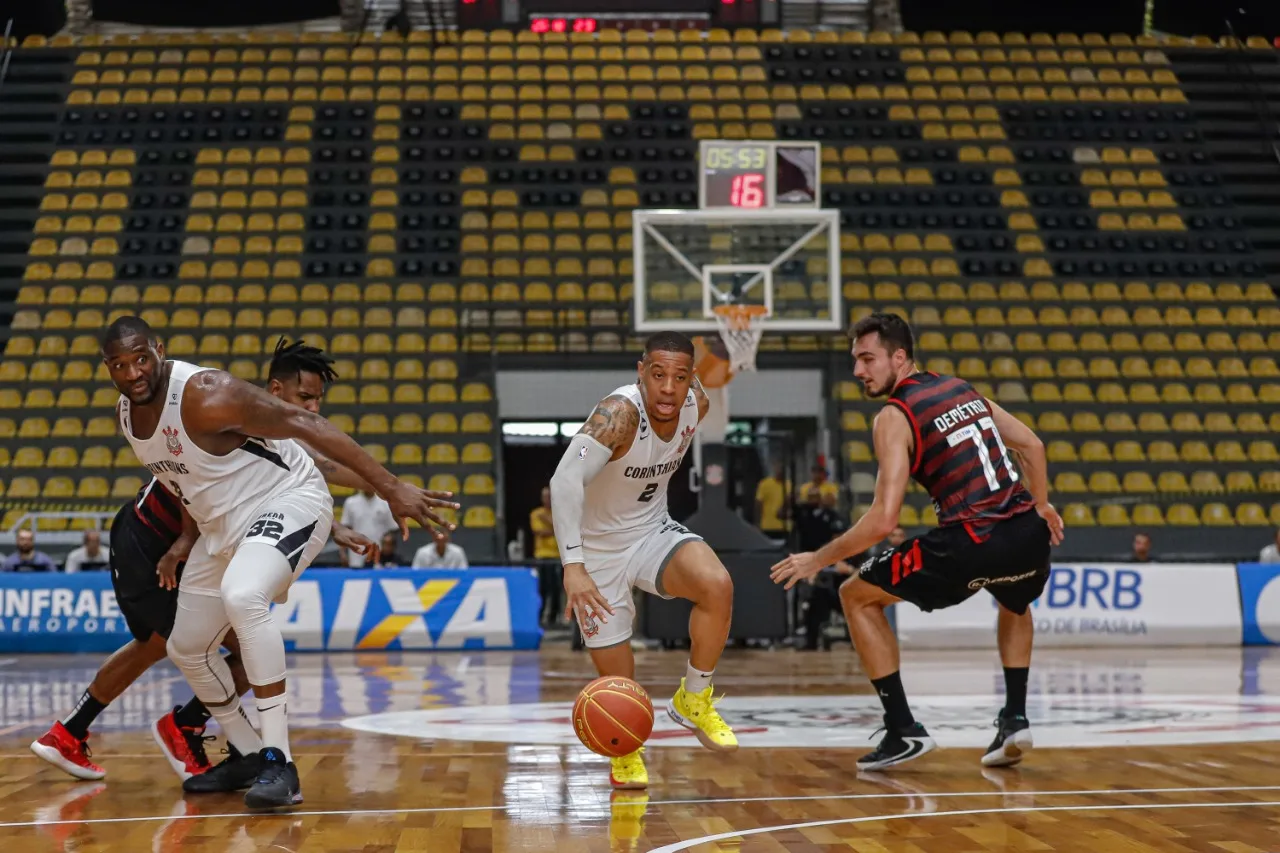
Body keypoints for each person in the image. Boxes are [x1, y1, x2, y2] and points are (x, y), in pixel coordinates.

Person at [100, 319, 454, 809]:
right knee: (186, 646)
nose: (134, 372)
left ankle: (278, 762)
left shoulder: (205, 393)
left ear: (159, 350)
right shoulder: (127, 414)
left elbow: (307, 426)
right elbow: (191, 482)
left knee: (244, 597)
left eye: (142, 358)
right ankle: (246, 752)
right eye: (120, 365)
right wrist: (186, 539)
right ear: (108, 368)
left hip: (287, 501)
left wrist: (390, 487)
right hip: (222, 529)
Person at [31, 338, 388, 785]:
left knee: (227, 643)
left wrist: (366, 506)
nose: (314, 408)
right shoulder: (223, 407)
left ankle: (226, 741)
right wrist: (183, 542)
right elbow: (192, 490)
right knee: (171, 642)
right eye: (306, 398)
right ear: (275, 393)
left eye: (317, 399)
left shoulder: (277, 434)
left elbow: (295, 480)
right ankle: (87, 730)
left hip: (195, 534)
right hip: (156, 537)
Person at [771, 313, 1064, 772]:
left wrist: (818, 558)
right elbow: (1032, 446)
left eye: (868, 359)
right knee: (1015, 602)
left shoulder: (894, 416)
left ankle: (902, 727)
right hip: (1029, 535)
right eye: (855, 361)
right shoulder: (963, 389)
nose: (858, 371)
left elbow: (884, 520)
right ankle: (1015, 717)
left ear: (899, 357)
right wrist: (1042, 505)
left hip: (970, 540)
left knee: (855, 595)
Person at [550, 331, 737, 790]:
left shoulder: (698, 404)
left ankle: (694, 700)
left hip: (650, 530)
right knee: (619, 685)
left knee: (717, 584)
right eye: (657, 375)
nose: (668, 388)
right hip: (594, 553)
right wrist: (573, 565)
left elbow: (712, 374)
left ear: (690, 378)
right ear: (640, 372)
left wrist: (724, 349)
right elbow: (563, 482)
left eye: (679, 376)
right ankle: (627, 749)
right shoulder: (618, 416)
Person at [340, 489, 399, 567]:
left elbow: (393, 529)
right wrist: (342, 553)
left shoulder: (384, 503)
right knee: (358, 578)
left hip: (379, 555)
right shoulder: (350, 502)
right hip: (357, 553)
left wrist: (387, 550)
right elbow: (345, 530)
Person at [529, 486, 561, 626]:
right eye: (545, 496)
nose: (547, 499)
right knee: (542, 588)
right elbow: (539, 532)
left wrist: (548, 523)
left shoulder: (559, 512)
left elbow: (562, 530)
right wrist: (554, 528)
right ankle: (539, 617)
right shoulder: (536, 514)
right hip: (542, 556)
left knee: (556, 589)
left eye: (549, 496)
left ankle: (554, 618)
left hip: (558, 556)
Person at [754, 461, 791, 542]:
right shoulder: (765, 484)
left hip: (785, 526)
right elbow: (758, 503)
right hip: (767, 526)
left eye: (782, 469)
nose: (780, 471)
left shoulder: (789, 485)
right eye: (778, 468)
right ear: (774, 469)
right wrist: (757, 523)